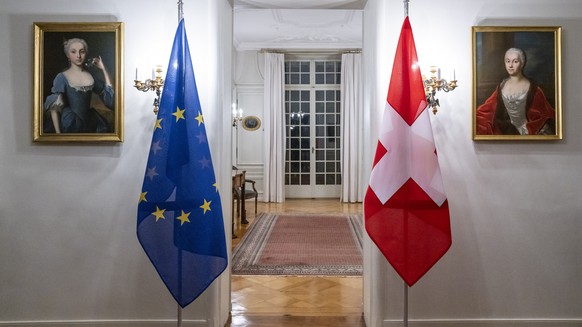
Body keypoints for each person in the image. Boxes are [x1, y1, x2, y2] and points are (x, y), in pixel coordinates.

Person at [476, 47, 555, 135]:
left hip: (528, 131)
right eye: (507, 61)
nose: (510, 65)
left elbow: (543, 113)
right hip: (506, 131)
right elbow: (488, 108)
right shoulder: (502, 86)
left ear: (522, 63)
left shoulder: (533, 88)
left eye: (515, 61)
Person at [43, 38, 114, 133]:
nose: (78, 56)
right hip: (70, 122)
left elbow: (109, 97)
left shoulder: (91, 76)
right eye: (73, 52)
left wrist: (103, 69)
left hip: (90, 121)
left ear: (86, 53)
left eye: (82, 51)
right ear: (68, 55)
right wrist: (58, 134)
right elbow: (54, 109)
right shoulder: (62, 77)